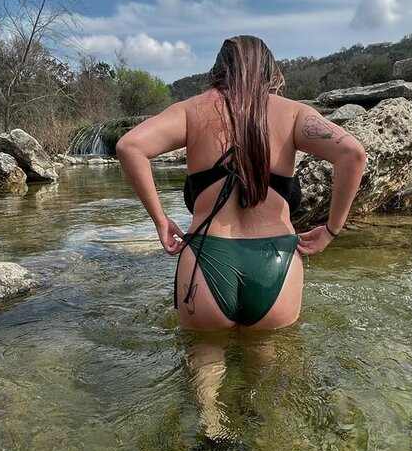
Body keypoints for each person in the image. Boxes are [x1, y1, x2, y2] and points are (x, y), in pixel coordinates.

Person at [116, 35, 367, 331]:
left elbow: (129, 146)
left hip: (204, 261)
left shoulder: (190, 110)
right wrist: (331, 229)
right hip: (277, 263)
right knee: (271, 359)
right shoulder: (293, 113)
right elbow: (352, 153)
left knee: (204, 358)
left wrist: (160, 220)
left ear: (218, 69)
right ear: (269, 70)